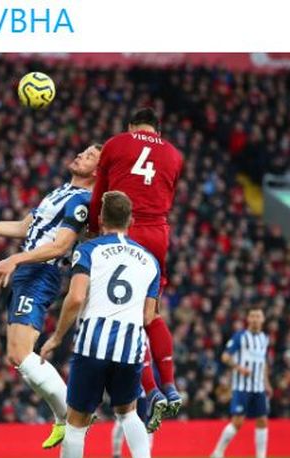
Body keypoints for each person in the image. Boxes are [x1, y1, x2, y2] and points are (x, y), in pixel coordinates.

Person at [0, 145, 100, 449]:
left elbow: (61, 247)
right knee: (17, 356)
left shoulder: (82, 201)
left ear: (97, 172)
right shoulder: (59, 192)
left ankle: (75, 415)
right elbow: (24, 227)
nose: (79, 155)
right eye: (82, 151)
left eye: (88, 156)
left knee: (21, 354)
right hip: (28, 271)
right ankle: (67, 417)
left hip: (40, 272)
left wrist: (16, 260)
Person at [41, 191, 160, 458]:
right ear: (131, 221)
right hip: (130, 346)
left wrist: (56, 337)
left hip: (93, 343)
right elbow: (149, 316)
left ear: (102, 219)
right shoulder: (150, 261)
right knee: (128, 412)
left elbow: (77, 296)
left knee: (76, 423)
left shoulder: (89, 249)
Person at [88, 107, 184, 430]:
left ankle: (153, 392)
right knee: (151, 315)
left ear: (130, 126)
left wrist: (92, 229)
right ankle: (169, 385)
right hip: (158, 233)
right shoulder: (174, 155)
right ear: (158, 129)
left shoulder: (116, 144)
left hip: (125, 231)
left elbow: (100, 195)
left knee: (127, 317)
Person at [210, 306, 278, 458]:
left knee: (262, 420)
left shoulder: (264, 338)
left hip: (258, 387)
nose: (255, 319)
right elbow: (225, 357)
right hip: (242, 387)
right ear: (248, 319)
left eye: (258, 316)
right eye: (252, 316)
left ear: (263, 319)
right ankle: (217, 453)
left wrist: (267, 383)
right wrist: (239, 368)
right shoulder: (240, 336)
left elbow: (263, 363)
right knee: (238, 421)